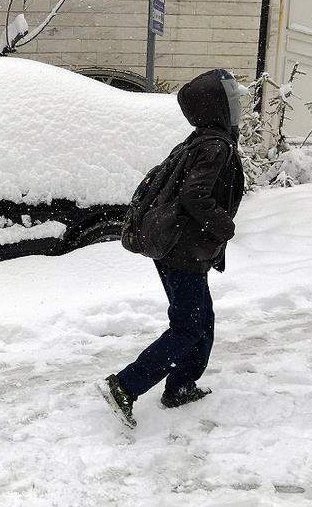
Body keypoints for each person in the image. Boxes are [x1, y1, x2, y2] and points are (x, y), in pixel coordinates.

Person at [103, 69, 247, 428]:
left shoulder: (200, 140)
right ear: (218, 107)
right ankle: (124, 385)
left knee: (201, 321)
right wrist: (223, 226)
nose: (239, 107)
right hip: (185, 253)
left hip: (178, 250)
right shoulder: (215, 145)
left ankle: (180, 387)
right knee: (187, 327)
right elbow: (194, 194)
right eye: (233, 101)